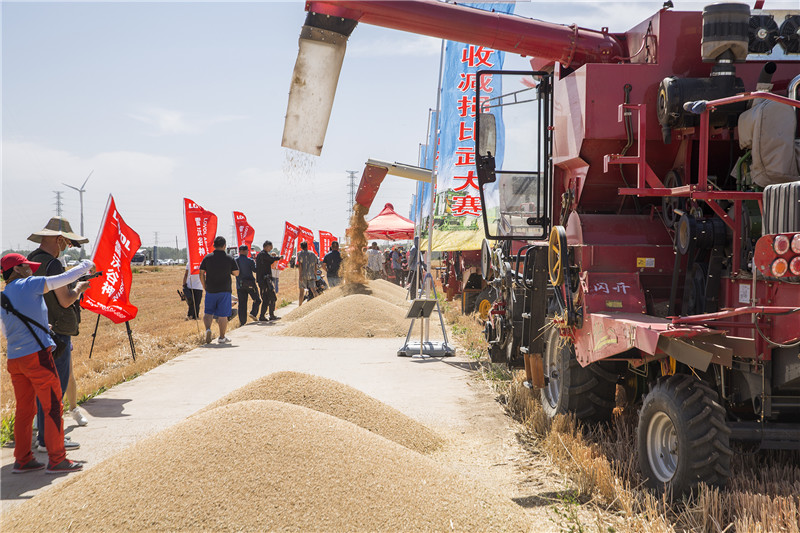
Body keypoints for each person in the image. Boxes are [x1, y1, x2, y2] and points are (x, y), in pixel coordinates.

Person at [1, 253, 93, 474]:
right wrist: (85, 266)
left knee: (24, 410)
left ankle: (22, 459)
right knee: (52, 406)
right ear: (16, 270)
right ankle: (57, 459)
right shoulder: (28, 284)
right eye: (27, 266)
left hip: (15, 359)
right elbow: (62, 279)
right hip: (38, 358)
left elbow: (6, 332)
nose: (32, 269)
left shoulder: (3, 296)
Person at [27, 217, 90, 451]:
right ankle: (50, 439)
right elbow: (64, 301)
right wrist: (79, 288)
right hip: (58, 332)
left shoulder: (30, 261)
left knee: (42, 386)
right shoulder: (54, 265)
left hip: (35, 331)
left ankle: (42, 434)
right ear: (60, 239)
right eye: (68, 243)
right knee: (56, 387)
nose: (69, 247)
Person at [199, 236, 239, 344]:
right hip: (224, 290)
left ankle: (208, 329)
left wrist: (204, 285)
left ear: (214, 245)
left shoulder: (207, 258)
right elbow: (236, 273)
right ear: (225, 246)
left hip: (210, 289)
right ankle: (222, 337)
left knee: (208, 312)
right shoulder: (229, 258)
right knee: (223, 315)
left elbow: (201, 272)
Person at [234, 245, 260, 326]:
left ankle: (242, 322)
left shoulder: (235, 261)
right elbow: (255, 270)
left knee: (242, 304)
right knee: (257, 300)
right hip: (250, 284)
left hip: (240, 285)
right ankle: (253, 313)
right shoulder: (250, 261)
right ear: (246, 251)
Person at [256, 240, 281, 321]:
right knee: (271, 297)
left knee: (267, 298)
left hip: (265, 280)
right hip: (264, 281)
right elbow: (270, 259)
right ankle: (269, 315)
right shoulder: (263, 254)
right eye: (270, 247)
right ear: (266, 246)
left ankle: (264, 315)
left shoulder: (262, 255)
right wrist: (279, 258)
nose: (271, 248)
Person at [296, 241, 318, 306]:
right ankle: (319, 302)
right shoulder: (313, 254)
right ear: (307, 246)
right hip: (311, 274)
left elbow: (300, 265)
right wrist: (315, 274)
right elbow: (315, 265)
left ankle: (300, 305)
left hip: (303, 275)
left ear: (301, 247)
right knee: (313, 290)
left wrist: (300, 275)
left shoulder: (300, 254)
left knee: (301, 292)